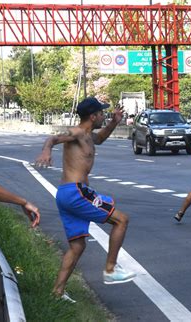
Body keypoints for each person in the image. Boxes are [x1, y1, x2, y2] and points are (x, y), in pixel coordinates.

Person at [35, 97, 136, 302]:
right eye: (102, 113)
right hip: (76, 192)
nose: (103, 116)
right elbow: (54, 138)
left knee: (78, 246)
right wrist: (46, 150)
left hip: (67, 193)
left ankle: (57, 292)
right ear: (93, 116)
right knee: (121, 220)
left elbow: (100, 139)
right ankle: (110, 269)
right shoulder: (77, 133)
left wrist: (114, 122)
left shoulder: (89, 136)